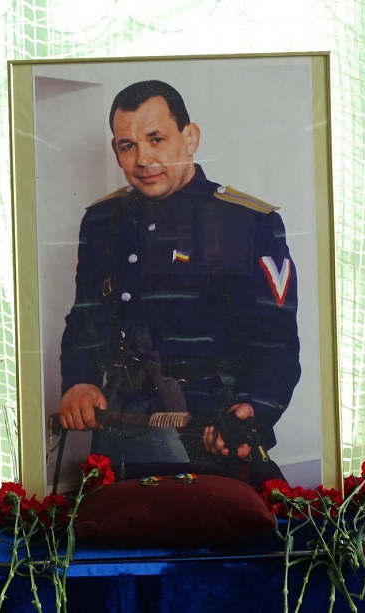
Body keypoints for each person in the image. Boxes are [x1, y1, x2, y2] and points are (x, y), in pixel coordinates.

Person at [57, 80, 301, 485]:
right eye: (128, 145)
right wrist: (79, 382)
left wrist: (250, 412)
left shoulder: (248, 222)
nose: (143, 159)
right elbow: (86, 317)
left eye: (157, 139)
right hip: (120, 427)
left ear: (190, 138)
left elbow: (275, 344)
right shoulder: (102, 221)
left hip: (209, 431)